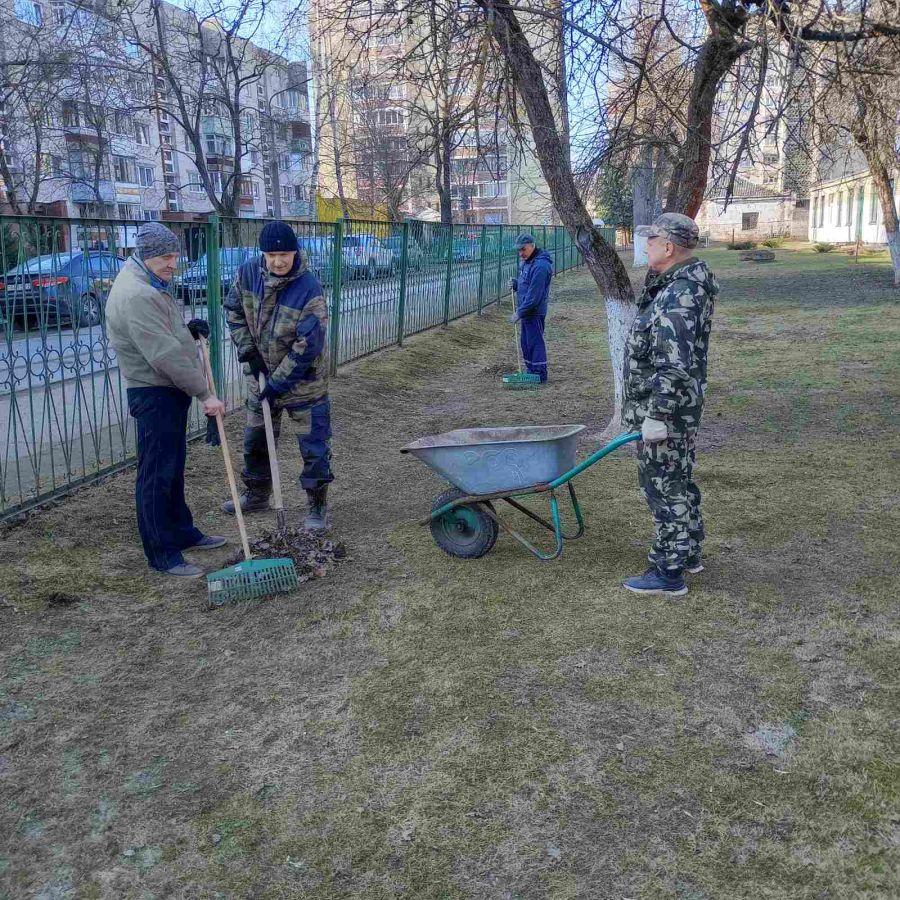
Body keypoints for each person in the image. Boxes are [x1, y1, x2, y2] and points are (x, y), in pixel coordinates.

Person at [105, 223, 227, 578]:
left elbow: (163, 335)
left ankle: (181, 531)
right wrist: (205, 394)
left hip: (166, 390)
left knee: (171, 469)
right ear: (147, 256)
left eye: (175, 255)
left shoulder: (148, 283)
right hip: (154, 393)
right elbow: (163, 355)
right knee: (157, 474)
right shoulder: (137, 294)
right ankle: (162, 554)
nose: (174, 264)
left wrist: (187, 333)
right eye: (166, 257)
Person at [620, 213, 719, 598]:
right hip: (675, 407)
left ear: (668, 246)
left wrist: (656, 416)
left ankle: (668, 571)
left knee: (663, 487)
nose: (645, 246)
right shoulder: (673, 284)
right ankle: (688, 551)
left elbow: (674, 364)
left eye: (651, 240)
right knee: (678, 479)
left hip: (667, 411)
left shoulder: (680, 293)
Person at [222, 220, 333, 530]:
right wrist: (250, 353)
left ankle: (316, 505)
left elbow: (308, 346)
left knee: (314, 447)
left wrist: (277, 383)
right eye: (271, 255)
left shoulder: (308, 288)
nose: (278, 261)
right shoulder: (247, 274)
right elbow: (233, 311)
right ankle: (257, 495)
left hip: (304, 384)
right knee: (255, 441)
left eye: (284, 254)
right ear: (263, 254)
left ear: (295, 252)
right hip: (260, 379)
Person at [508, 233, 553, 383]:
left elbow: (534, 295)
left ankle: (539, 374)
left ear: (532, 246)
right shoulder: (528, 262)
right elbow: (526, 284)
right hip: (527, 311)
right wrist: (516, 284)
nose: (520, 253)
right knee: (526, 343)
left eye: (523, 249)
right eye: (519, 250)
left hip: (534, 311)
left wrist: (519, 313)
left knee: (535, 343)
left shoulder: (541, 266)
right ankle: (531, 371)